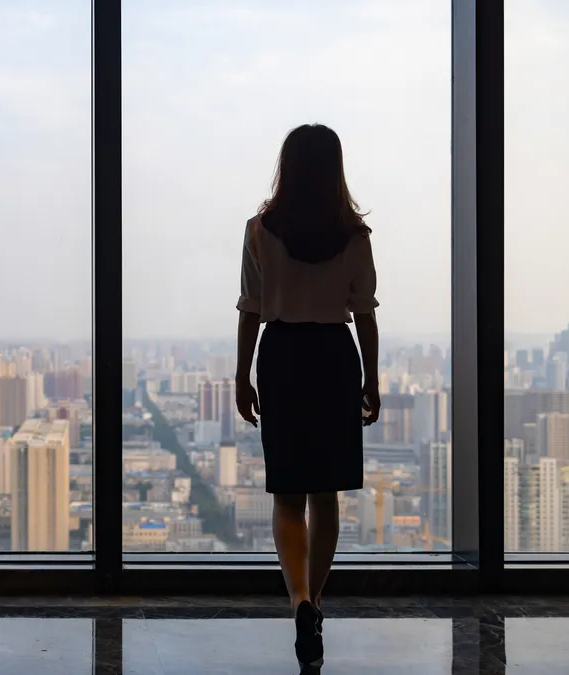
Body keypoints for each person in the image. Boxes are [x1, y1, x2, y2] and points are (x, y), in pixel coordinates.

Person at [234, 123, 381, 668]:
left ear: (287, 167)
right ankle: (315, 603)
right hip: (333, 358)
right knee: (326, 494)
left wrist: (241, 374)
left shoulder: (259, 229)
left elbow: (251, 307)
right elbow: (363, 313)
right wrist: (371, 379)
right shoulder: (355, 235)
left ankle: (297, 600)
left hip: (283, 357)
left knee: (287, 494)